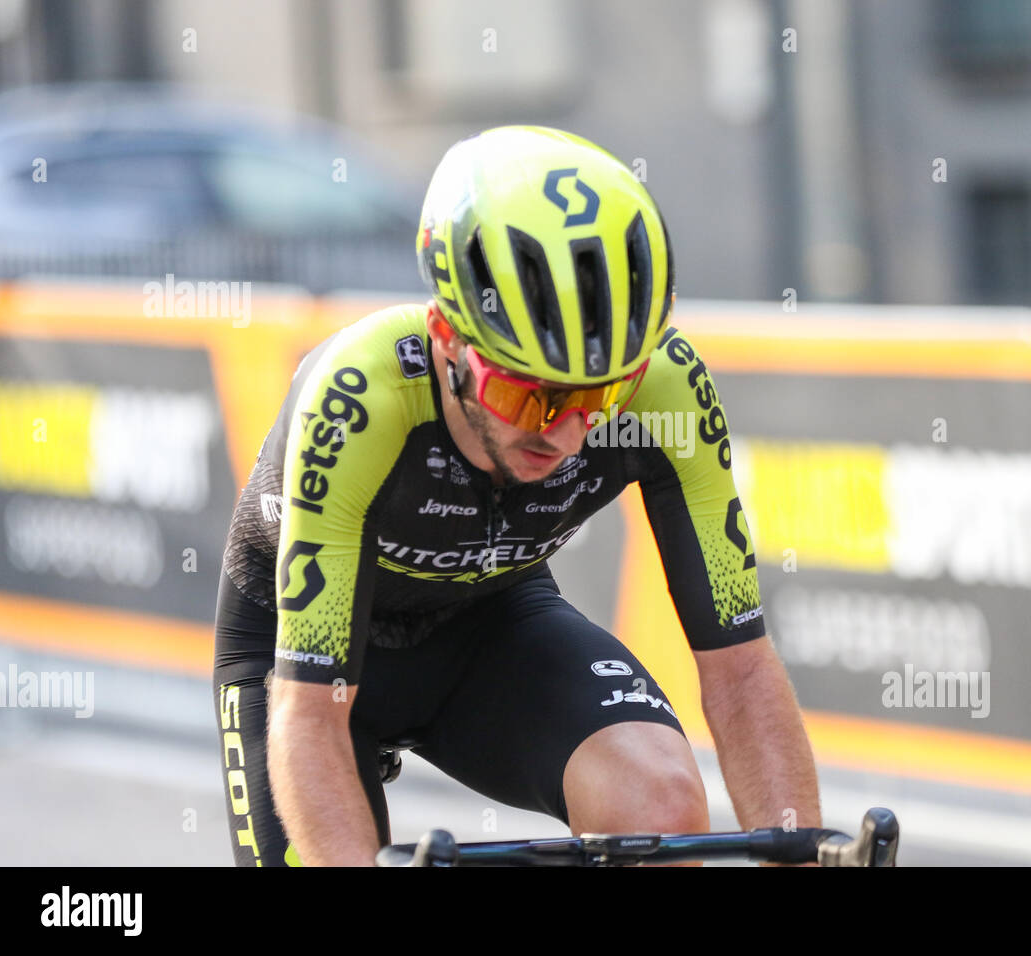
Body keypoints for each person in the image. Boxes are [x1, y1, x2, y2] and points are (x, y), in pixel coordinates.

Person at [212, 125, 820, 866]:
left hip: (489, 621)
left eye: (600, 398)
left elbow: (742, 669)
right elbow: (310, 717)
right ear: (448, 339)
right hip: (301, 662)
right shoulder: (359, 399)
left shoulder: (666, 389)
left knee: (656, 802)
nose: (565, 434)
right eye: (529, 395)